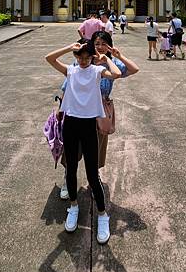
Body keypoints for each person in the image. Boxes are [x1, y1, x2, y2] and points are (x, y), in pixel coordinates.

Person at [45, 40, 121, 244]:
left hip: (88, 126)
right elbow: (49, 58)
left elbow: (116, 74)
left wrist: (104, 59)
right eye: (80, 56)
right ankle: (73, 206)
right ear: (77, 56)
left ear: (92, 57)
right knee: (70, 169)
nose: (84, 60)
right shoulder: (71, 70)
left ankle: (103, 215)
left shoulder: (97, 71)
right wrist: (69, 48)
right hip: (70, 123)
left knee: (91, 174)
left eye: (87, 57)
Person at [59, 31, 139, 198]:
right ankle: (68, 177)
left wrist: (119, 56)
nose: (100, 47)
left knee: (97, 145)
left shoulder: (111, 63)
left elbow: (134, 69)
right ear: (91, 46)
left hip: (101, 110)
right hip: (79, 110)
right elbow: (66, 87)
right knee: (72, 148)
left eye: (104, 43)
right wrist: (60, 110)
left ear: (109, 46)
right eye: (97, 44)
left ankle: (94, 178)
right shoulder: (82, 61)